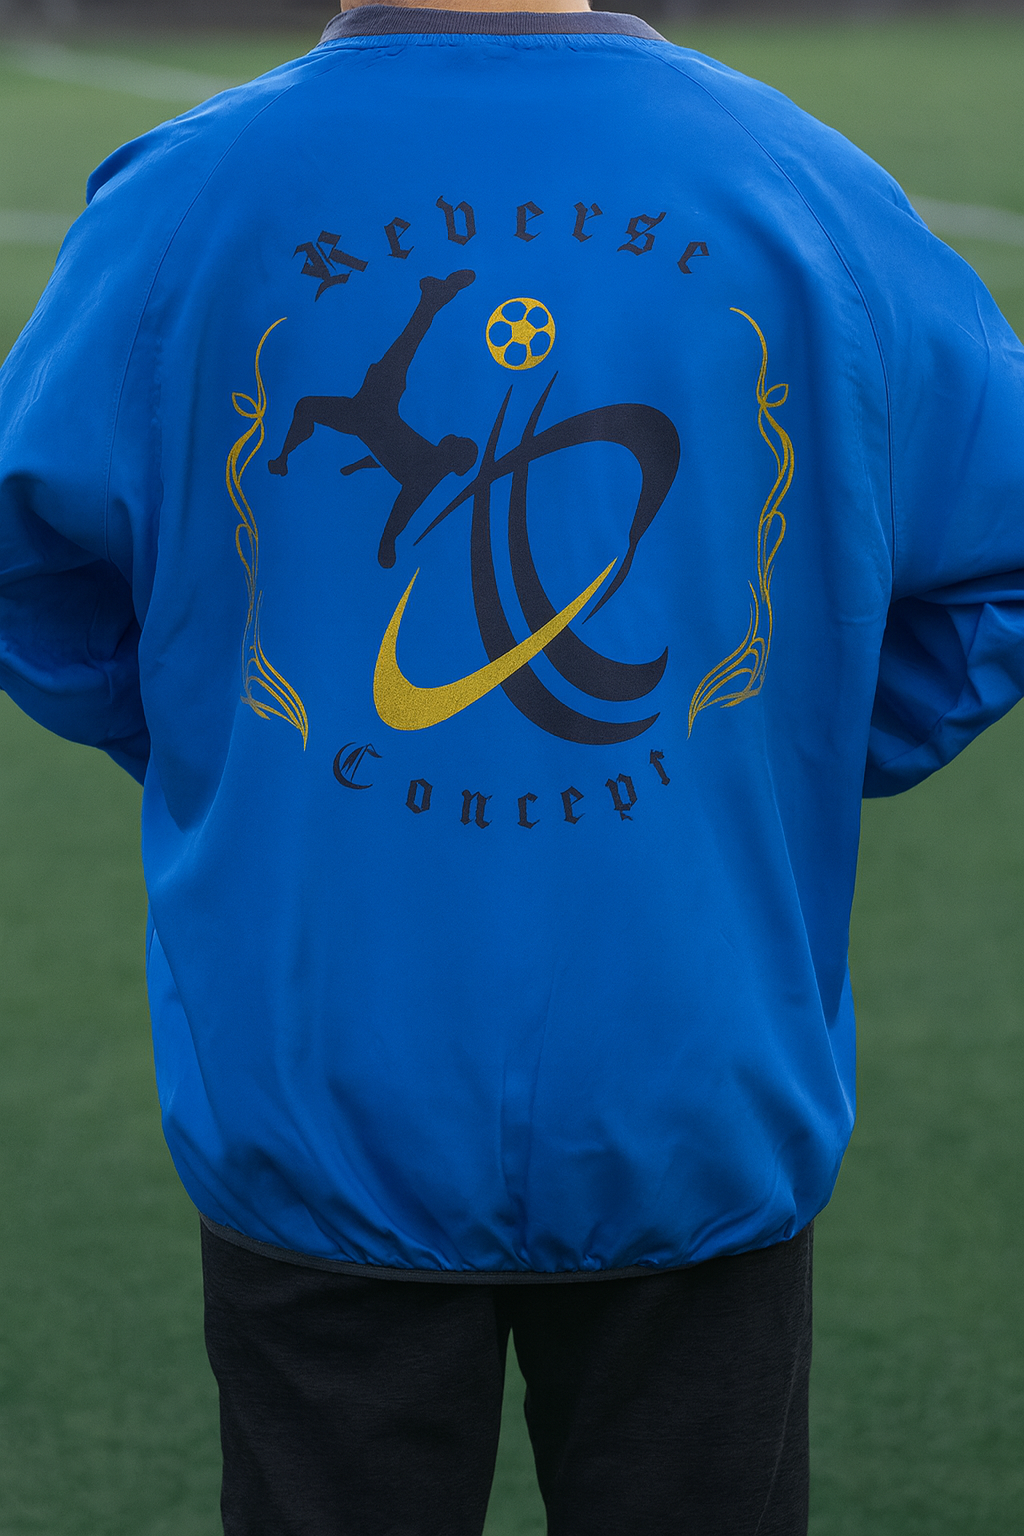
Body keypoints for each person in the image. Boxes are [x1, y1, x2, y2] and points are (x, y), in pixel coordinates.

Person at [1, 1, 1023, 1532]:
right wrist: (781, 753)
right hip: (690, 1078)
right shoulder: (798, 182)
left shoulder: (190, 194)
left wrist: (225, 747)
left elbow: (30, 566)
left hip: (325, 1075)